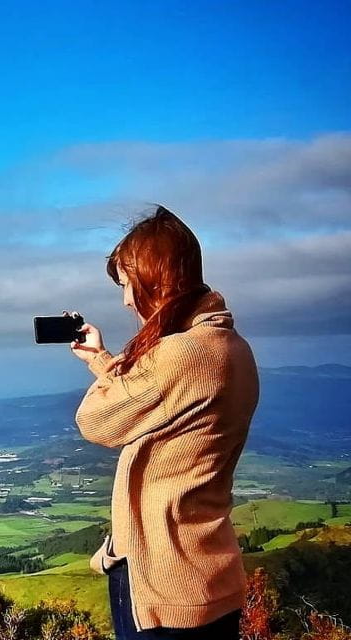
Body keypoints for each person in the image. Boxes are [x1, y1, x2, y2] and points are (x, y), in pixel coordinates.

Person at [66, 205, 259, 639]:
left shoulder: (182, 353)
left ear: (157, 279)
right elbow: (161, 399)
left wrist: (110, 368)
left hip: (167, 578)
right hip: (208, 568)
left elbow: (96, 420)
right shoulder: (231, 347)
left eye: (128, 283)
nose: (126, 299)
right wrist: (101, 360)